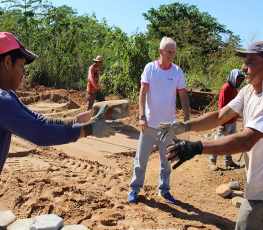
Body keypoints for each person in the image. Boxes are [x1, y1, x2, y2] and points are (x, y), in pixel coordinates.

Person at [157, 41, 263, 230]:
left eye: (251, 61)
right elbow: (221, 115)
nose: (243, 67)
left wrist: (197, 147)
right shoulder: (248, 91)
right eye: (244, 61)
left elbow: (247, 140)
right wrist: (184, 126)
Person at [0, 32, 124, 175]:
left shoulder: (9, 94)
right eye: (22, 65)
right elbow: (39, 133)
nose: (24, 72)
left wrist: (74, 121)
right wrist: (89, 129)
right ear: (7, 62)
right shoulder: (2, 100)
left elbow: (39, 120)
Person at [127, 36, 190, 204]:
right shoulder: (150, 68)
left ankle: (164, 190)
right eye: (169, 52)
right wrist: (142, 116)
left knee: (167, 161)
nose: (172, 55)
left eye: (174, 52)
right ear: (161, 52)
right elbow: (143, 92)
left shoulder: (177, 71)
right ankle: (135, 189)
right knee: (141, 159)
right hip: (148, 125)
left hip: (167, 127)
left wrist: (186, 117)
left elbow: (183, 94)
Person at [210, 69, 245, 171]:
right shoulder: (226, 88)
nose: (238, 82)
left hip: (233, 121)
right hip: (225, 122)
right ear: (233, 78)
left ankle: (228, 161)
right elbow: (221, 105)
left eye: (240, 80)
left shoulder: (235, 88)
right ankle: (212, 160)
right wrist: (221, 122)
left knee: (231, 142)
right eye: (237, 79)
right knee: (219, 142)